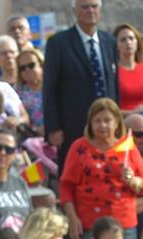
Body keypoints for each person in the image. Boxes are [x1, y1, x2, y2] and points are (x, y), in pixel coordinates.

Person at [60, 98, 143, 239]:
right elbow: (66, 186)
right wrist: (72, 219)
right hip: (89, 226)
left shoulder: (128, 148)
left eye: (107, 120)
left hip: (123, 226)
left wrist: (132, 180)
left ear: (117, 122)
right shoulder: (79, 147)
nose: (102, 125)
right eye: (97, 121)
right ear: (90, 123)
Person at [43, 0, 119, 168]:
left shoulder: (109, 42)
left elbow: (115, 85)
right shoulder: (59, 43)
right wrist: (54, 128)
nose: (90, 11)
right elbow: (50, 88)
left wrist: (118, 120)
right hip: (73, 126)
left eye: (94, 6)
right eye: (84, 7)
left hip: (107, 127)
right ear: (74, 11)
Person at [115, 24, 143, 120]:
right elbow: (110, 108)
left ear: (137, 42)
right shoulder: (113, 71)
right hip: (122, 122)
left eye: (131, 38)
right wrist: (133, 113)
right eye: (123, 40)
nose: (128, 42)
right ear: (116, 45)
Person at [14, 47, 46, 136]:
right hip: (30, 138)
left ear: (41, 64)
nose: (27, 70)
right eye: (22, 68)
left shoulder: (54, 86)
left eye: (31, 65)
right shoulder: (16, 93)